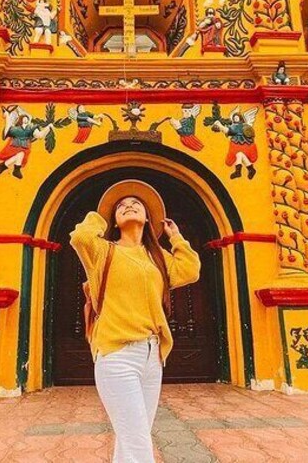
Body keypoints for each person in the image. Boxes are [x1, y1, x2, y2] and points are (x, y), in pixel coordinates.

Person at [69, 180, 201, 463]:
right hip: (117, 355)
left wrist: (176, 238)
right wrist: (100, 216)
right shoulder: (103, 251)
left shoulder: (157, 257)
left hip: (152, 356)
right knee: (138, 441)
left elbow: (190, 270)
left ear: (147, 219)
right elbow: (80, 238)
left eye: (136, 204)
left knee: (132, 438)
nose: (129, 206)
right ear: (114, 221)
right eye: (121, 206)